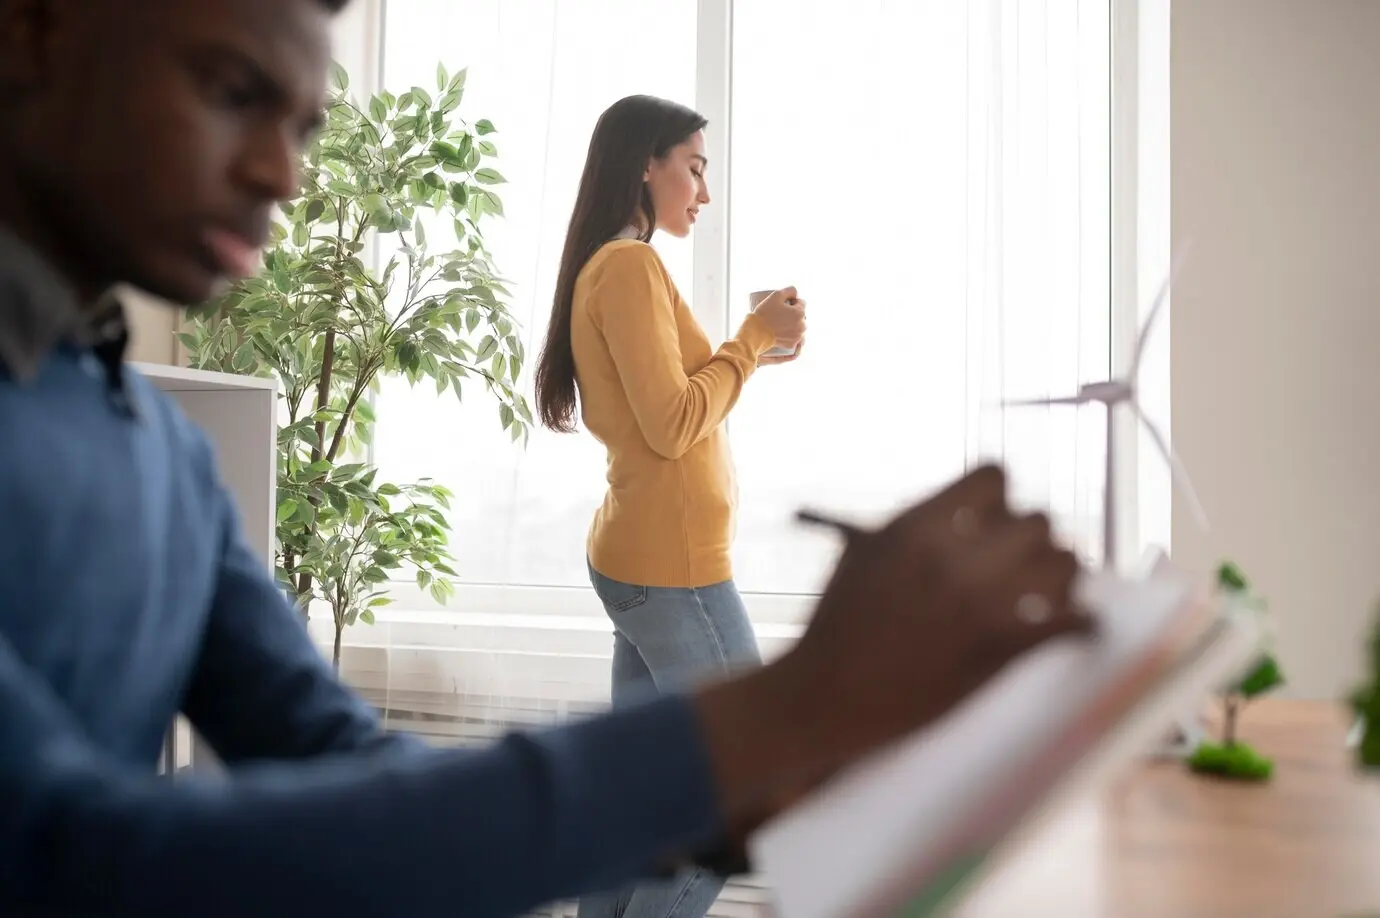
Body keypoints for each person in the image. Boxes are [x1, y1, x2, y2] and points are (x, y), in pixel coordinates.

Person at [0, 2, 1095, 918]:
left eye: (306, 125)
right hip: (663, 555)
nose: (282, 171)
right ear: (33, 31)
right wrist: (776, 717)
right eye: (232, 89)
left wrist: (805, 743)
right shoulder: (623, 272)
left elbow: (348, 765)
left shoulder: (163, 460)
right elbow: (76, 851)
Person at [532, 93, 811, 918]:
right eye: (695, 168)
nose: (703, 191)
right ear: (646, 163)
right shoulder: (629, 266)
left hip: (645, 563)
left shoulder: (617, 266)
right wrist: (751, 339)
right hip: (675, 574)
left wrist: (751, 351)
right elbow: (673, 423)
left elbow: (676, 403)